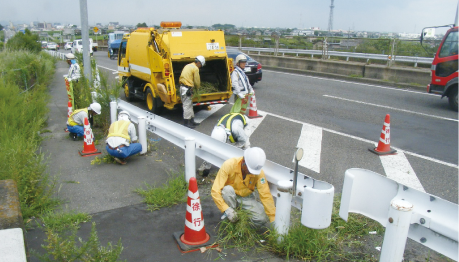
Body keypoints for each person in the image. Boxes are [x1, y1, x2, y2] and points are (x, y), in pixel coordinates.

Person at [211, 147, 275, 228]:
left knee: (262, 218)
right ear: (243, 161)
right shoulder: (229, 165)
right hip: (230, 196)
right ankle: (230, 215)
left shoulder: (258, 173)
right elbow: (215, 191)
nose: (250, 173)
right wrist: (226, 208)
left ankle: (241, 222)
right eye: (249, 170)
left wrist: (273, 217)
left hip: (247, 198)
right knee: (227, 190)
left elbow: (265, 195)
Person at [198, 113, 250, 177]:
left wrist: (233, 150)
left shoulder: (236, 130)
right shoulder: (217, 128)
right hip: (231, 122)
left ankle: (247, 168)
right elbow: (213, 147)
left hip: (243, 123)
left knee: (246, 147)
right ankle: (206, 166)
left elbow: (243, 140)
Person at [179, 55, 205, 129]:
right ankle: (186, 123)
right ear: (199, 63)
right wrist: (197, 88)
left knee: (190, 105)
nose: (200, 67)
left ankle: (192, 121)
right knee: (187, 105)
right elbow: (197, 81)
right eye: (201, 65)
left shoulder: (188, 65)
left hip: (182, 87)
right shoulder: (195, 68)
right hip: (187, 89)